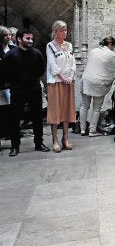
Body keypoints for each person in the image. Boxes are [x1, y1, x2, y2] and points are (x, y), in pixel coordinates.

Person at [2, 29, 50, 156]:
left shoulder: (36, 53)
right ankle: (15, 146)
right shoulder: (11, 55)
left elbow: (41, 70)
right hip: (17, 90)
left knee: (37, 118)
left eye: (31, 38)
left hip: (34, 88)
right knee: (15, 118)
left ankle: (39, 143)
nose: (31, 41)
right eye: (27, 38)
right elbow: (5, 72)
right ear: (19, 39)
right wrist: (15, 82)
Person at [79, 35, 115, 137]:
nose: (114, 48)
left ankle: (82, 129)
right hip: (98, 82)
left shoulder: (93, 51)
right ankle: (92, 131)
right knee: (96, 108)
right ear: (111, 44)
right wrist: (109, 78)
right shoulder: (111, 54)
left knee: (84, 105)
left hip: (86, 79)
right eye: (114, 46)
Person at [46, 20, 76, 153]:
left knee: (66, 110)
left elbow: (73, 63)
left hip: (69, 82)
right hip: (56, 82)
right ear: (55, 31)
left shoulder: (69, 45)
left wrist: (71, 76)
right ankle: (55, 140)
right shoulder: (50, 46)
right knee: (55, 111)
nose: (65, 32)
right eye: (62, 30)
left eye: (66, 29)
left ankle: (66, 138)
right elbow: (53, 65)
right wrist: (63, 78)